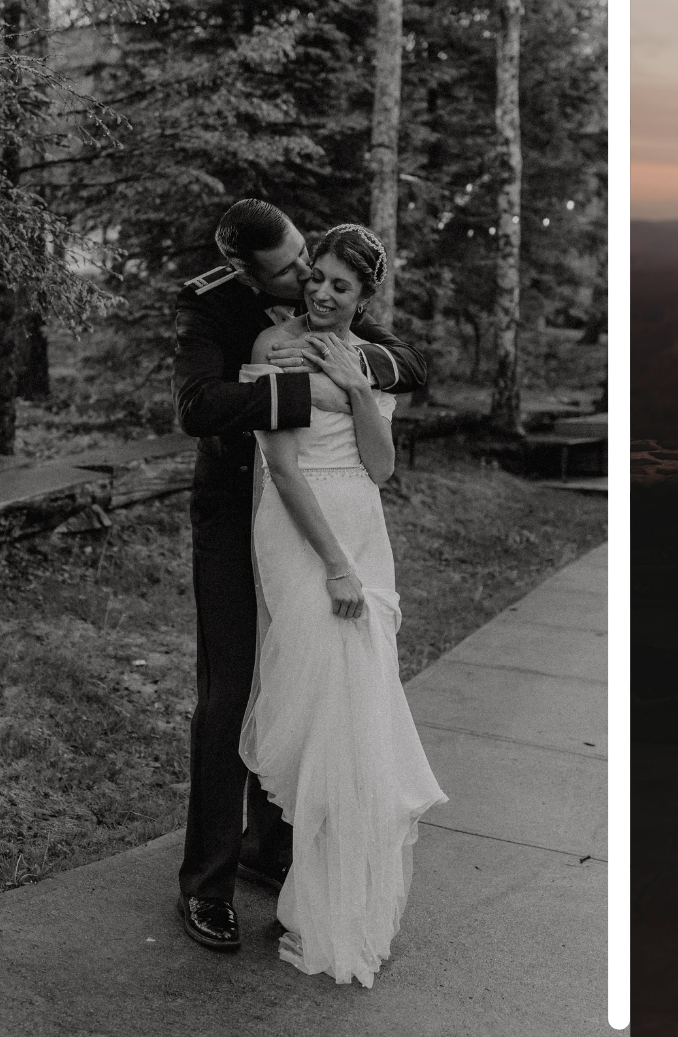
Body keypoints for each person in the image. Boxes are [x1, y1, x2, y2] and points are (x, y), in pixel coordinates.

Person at [173, 200, 425, 953]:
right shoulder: (211, 306)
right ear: (250, 271)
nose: (304, 279)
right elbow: (197, 405)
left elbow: (405, 365)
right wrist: (297, 391)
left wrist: (347, 377)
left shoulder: (327, 294)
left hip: (327, 512)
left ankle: (270, 847)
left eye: (307, 263)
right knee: (230, 689)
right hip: (235, 517)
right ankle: (207, 883)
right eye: (289, 270)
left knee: (306, 679)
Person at [239, 223, 445, 986]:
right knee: (325, 704)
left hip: (364, 521)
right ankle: (315, 897)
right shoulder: (273, 347)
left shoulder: (368, 358)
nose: (322, 293)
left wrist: (358, 386)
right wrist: (333, 568)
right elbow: (285, 469)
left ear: (365, 297)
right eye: (316, 277)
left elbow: (382, 467)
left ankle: (335, 898)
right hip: (306, 533)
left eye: (341, 286)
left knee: (360, 712)